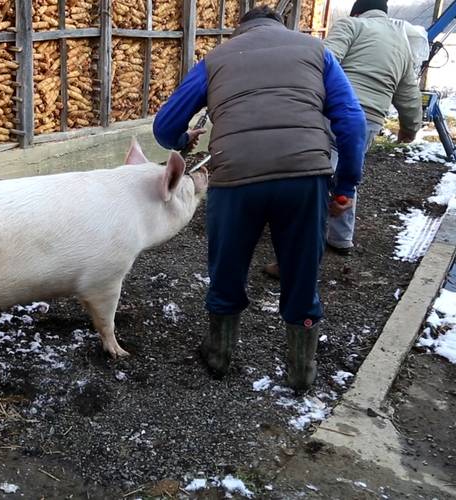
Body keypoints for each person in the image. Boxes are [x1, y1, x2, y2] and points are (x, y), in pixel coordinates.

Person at [152, 6, 367, 392]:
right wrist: (345, 186)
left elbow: (164, 126)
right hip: (304, 177)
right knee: (301, 272)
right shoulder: (317, 52)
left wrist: (182, 142)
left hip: (236, 178)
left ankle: (219, 356)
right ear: (281, 26)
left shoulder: (215, 60)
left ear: (240, 29)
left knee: (227, 266)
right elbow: (352, 122)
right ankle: (302, 372)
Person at [264, 0, 423, 281]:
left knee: (314, 179)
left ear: (358, 11)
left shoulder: (352, 25)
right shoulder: (402, 43)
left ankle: (294, 259)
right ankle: (340, 237)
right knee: (348, 173)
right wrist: (410, 128)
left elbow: (324, 59)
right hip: (371, 121)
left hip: (337, 114)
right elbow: (409, 91)